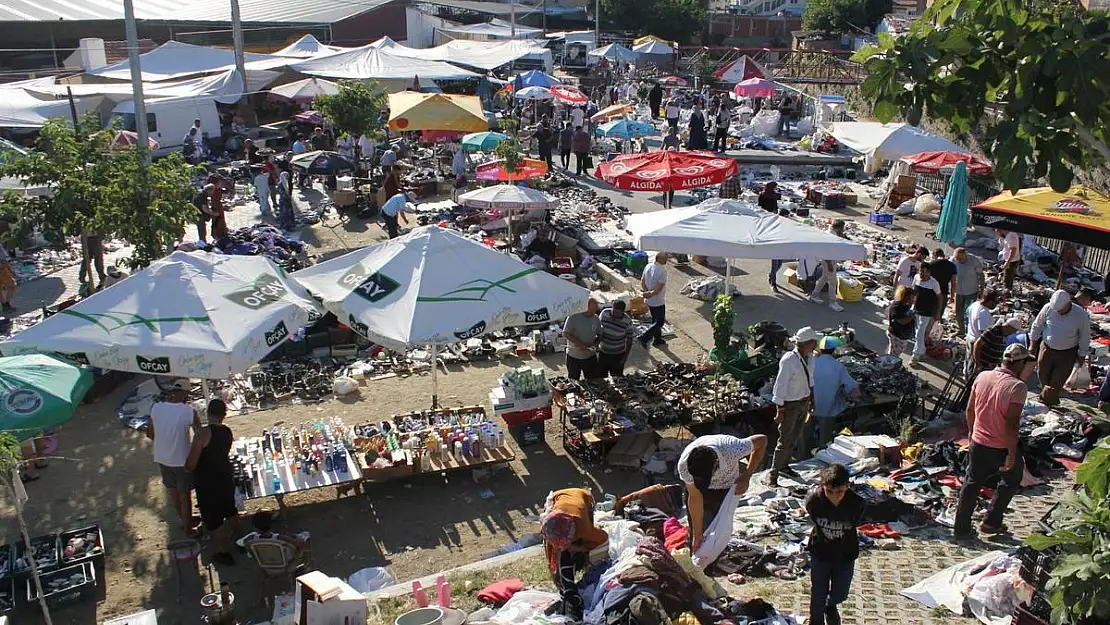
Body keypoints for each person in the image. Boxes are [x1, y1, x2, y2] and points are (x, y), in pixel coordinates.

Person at [953, 344, 1038, 539]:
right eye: (1025, 362)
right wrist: (1011, 452)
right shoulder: (1017, 387)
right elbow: (1011, 424)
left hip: (978, 441)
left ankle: (961, 528)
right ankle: (991, 522)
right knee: (1012, 479)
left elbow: (970, 409)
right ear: (1018, 363)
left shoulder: (983, 376)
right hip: (1000, 446)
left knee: (972, 483)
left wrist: (972, 434)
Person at [677, 434, 768, 558]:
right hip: (697, 492)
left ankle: (714, 556)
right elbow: (695, 496)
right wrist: (697, 534)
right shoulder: (684, 465)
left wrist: (747, 475)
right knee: (697, 532)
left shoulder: (732, 449)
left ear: (716, 465)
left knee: (718, 527)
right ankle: (696, 560)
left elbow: (761, 440)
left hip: (725, 488)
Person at [806, 463, 865, 625]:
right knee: (818, 591)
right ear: (822, 487)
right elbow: (814, 518)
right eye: (829, 492)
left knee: (841, 593)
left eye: (839, 491)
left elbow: (857, 522)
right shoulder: (814, 501)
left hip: (845, 554)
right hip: (820, 552)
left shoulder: (856, 503)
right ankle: (816, 620)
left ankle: (830, 606)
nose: (835, 496)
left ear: (847, 486)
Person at [540, 488, 609, 620]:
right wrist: (557, 575)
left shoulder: (583, 527)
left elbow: (603, 538)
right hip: (559, 498)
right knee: (560, 556)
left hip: (582, 496)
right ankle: (567, 587)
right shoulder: (548, 527)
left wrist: (582, 548)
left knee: (583, 552)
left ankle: (581, 565)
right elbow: (551, 556)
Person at [186, 399, 238, 566]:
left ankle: (223, 552)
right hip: (225, 476)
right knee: (230, 510)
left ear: (208, 413)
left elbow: (193, 462)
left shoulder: (202, 433)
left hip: (208, 482)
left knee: (215, 520)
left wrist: (188, 467)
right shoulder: (227, 432)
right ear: (224, 415)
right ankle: (242, 540)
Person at [146, 379, 202, 534]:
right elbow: (200, 435)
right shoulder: (188, 411)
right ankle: (189, 529)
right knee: (185, 496)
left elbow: (150, 433)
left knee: (173, 493)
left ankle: (185, 522)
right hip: (182, 460)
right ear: (186, 394)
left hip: (163, 458)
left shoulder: (156, 408)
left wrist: (165, 441)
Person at [770, 326, 817, 485]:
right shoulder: (789, 360)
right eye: (813, 342)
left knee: (794, 438)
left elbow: (811, 381)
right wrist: (780, 409)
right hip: (790, 405)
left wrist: (812, 400)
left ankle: (784, 466)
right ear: (807, 343)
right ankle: (773, 474)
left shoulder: (811, 358)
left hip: (803, 403)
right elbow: (780, 385)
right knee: (784, 441)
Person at [1030, 289, 1090, 406]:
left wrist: (1082, 354)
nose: (1057, 312)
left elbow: (1084, 336)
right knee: (1042, 374)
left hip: (1067, 352)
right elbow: (1037, 325)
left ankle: (1046, 400)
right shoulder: (1048, 308)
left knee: (1058, 380)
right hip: (1047, 348)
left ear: (1068, 304)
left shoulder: (1080, 315)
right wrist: (1033, 344)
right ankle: (1049, 397)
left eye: (1060, 310)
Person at [810, 338, 861, 452]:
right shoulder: (838, 367)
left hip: (809, 407)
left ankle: (802, 456)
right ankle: (823, 452)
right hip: (828, 409)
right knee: (825, 439)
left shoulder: (811, 362)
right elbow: (852, 388)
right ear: (833, 351)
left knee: (805, 436)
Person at [910, 263, 942, 365]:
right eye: (920, 271)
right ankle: (922, 351)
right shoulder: (916, 278)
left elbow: (940, 297)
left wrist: (938, 312)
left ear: (929, 272)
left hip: (927, 312)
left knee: (920, 332)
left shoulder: (934, 283)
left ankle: (915, 356)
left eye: (923, 272)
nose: (921, 274)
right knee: (917, 333)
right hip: (916, 310)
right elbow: (914, 292)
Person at [563, 298, 602, 381]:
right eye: (592, 309)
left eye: (595, 310)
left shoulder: (596, 318)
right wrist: (579, 343)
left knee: (593, 380)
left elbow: (600, 334)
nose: (593, 312)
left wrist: (596, 344)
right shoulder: (573, 316)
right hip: (574, 357)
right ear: (586, 307)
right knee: (574, 381)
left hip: (590, 357)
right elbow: (565, 333)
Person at [952, 248, 985, 337]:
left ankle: (969, 332)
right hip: (959, 291)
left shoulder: (974, 261)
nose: (959, 261)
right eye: (957, 259)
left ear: (965, 255)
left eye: (960, 259)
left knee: (968, 312)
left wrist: (982, 289)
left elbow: (981, 275)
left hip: (971, 292)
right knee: (958, 312)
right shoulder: (953, 260)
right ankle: (961, 330)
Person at [639, 252, 669, 349]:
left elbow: (642, 280)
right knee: (660, 322)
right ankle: (644, 337)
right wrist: (650, 294)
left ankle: (657, 339)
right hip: (658, 300)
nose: (667, 260)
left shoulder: (648, 266)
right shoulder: (663, 271)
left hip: (650, 299)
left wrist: (646, 292)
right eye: (665, 258)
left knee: (655, 319)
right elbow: (659, 288)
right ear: (659, 259)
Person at [598, 300, 634, 377]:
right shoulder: (604, 313)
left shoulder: (627, 321)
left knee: (617, 378)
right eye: (613, 311)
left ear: (623, 312)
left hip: (618, 355)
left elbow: (629, 340)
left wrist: (625, 357)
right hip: (603, 353)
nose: (614, 315)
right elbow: (598, 329)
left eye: (617, 313)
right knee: (601, 378)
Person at [965, 289, 998, 372]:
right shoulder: (983, 313)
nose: (995, 304)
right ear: (990, 301)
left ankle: (966, 377)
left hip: (970, 337)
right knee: (974, 367)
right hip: (977, 343)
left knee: (968, 362)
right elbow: (984, 333)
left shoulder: (975, 304)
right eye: (995, 302)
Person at [887, 286, 916, 356]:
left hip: (902, 335)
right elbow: (900, 321)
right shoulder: (896, 306)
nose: (914, 299)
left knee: (896, 351)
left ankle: (890, 361)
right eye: (912, 297)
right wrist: (911, 317)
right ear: (906, 297)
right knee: (894, 353)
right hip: (896, 334)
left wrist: (911, 304)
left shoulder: (905, 305)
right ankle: (890, 363)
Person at [929, 248, 957, 318]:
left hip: (931, 292)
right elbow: (953, 283)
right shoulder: (952, 265)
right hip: (943, 293)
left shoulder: (931, 264)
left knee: (929, 314)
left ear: (935, 255)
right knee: (938, 315)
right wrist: (952, 296)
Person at [0, 234, 14, 313]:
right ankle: (6, 304)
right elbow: (3, 260)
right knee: (11, 285)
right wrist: (11, 270)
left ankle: (4, 305)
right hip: (1, 270)